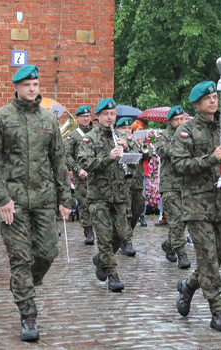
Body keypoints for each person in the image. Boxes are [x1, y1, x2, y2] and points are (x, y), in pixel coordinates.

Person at [0, 65, 73, 341]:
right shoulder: (1, 119)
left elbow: (59, 161)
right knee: (20, 257)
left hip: (44, 199)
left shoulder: (48, 120)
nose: (32, 89)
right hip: (14, 202)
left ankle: (24, 285)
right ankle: (28, 315)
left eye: (35, 84)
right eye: (27, 85)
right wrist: (2, 198)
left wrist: (64, 199)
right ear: (17, 87)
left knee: (47, 254)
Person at [170, 81, 221, 332]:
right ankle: (218, 311)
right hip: (197, 205)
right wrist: (210, 158)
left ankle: (189, 286)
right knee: (208, 259)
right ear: (196, 104)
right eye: (208, 98)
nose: (213, 101)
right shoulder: (186, 131)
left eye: (215, 97)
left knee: (219, 256)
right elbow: (179, 165)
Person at [77, 100, 132, 293]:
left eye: (113, 114)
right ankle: (113, 274)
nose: (110, 117)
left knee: (122, 234)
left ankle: (102, 260)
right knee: (105, 236)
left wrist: (129, 150)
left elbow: (138, 161)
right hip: (99, 195)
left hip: (120, 194)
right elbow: (85, 162)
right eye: (106, 114)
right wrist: (109, 157)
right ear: (98, 116)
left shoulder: (122, 136)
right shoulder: (90, 138)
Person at [158, 106, 192, 269]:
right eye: (176, 119)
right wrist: (177, 144)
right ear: (170, 121)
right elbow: (161, 151)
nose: (180, 122)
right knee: (176, 220)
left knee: (185, 219)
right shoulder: (164, 135)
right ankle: (182, 254)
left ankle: (169, 244)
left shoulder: (188, 134)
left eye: (182, 119)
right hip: (170, 184)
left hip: (186, 184)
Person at [114, 117, 151, 256]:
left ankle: (125, 236)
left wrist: (142, 146)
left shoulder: (136, 141)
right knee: (126, 212)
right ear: (118, 129)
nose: (127, 131)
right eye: (124, 129)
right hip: (122, 183)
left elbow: (149, 156)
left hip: (137, 182)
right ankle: (126, 241)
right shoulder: (116, 141)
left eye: (129, 128)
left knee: (138, 209)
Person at [64, 105, 94, 244]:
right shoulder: (73, 135)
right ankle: (88, 232)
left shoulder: (97, 132)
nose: (86, 119)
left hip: (96, 175)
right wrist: (77, 169)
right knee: (84, 204)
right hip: (81, 176)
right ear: (78, 118)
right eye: (83, 117)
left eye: (88, 116)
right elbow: (67, 156)